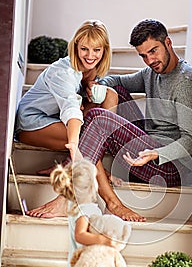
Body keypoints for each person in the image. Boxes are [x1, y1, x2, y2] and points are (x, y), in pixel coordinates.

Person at [26, 19, 192, 220]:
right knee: (115, 93)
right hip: (142, 154)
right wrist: (95, 85)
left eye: (153, 51)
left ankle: (68, 195)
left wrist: (156, 153)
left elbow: (191, 143)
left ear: (168, 43)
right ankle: (76, 163)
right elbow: (118, 81)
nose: (149, 60)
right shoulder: (152, 72)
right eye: (143, 56)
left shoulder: (186, 83)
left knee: (98, 118)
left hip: (168, 169)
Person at [15, 20, 143, 221]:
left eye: (96, 50)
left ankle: (70, 165)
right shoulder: (63, 72)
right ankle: (110, 202)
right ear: (75, 47)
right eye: (84, 49)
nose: (90, 55)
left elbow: (94, 105)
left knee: (111, 95)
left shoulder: (95, 71)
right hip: (33, 123)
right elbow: (71, 110)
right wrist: (74, 145)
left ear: (104, 50)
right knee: (89, 136)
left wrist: (91, 89)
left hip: (56, 120)